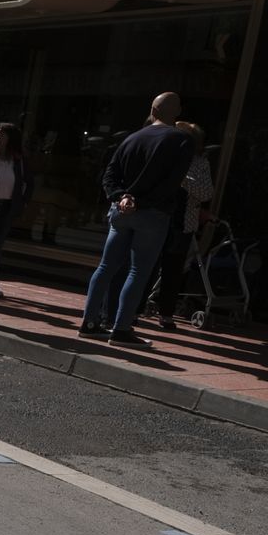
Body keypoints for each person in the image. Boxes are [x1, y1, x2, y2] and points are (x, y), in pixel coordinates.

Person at [79, 92, 193, 347]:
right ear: (177, 112)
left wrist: (122, 197)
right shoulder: (181, 140)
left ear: (152, 110)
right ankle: (121, 329)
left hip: (121, 211)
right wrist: (141, 202)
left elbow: (109, 174)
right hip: (153, 214)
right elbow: (171, 183)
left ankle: (89, 322)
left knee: (106, 267)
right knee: (138, 271)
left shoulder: (132, 138)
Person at [148, 121, 213, 330]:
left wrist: (183, 177)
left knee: (173, 269)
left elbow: (206, 193)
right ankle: (136, 308)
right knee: (147, 265)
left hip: (182, 223)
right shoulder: (163, 156)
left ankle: (166, 313)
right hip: (157, 218)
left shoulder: (200, 163)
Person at [0, 122, 33, 299]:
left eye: (0, 135)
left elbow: (29, 183)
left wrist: (23, 202)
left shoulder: (18, 160)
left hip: (7, 206)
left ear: (10, 139)